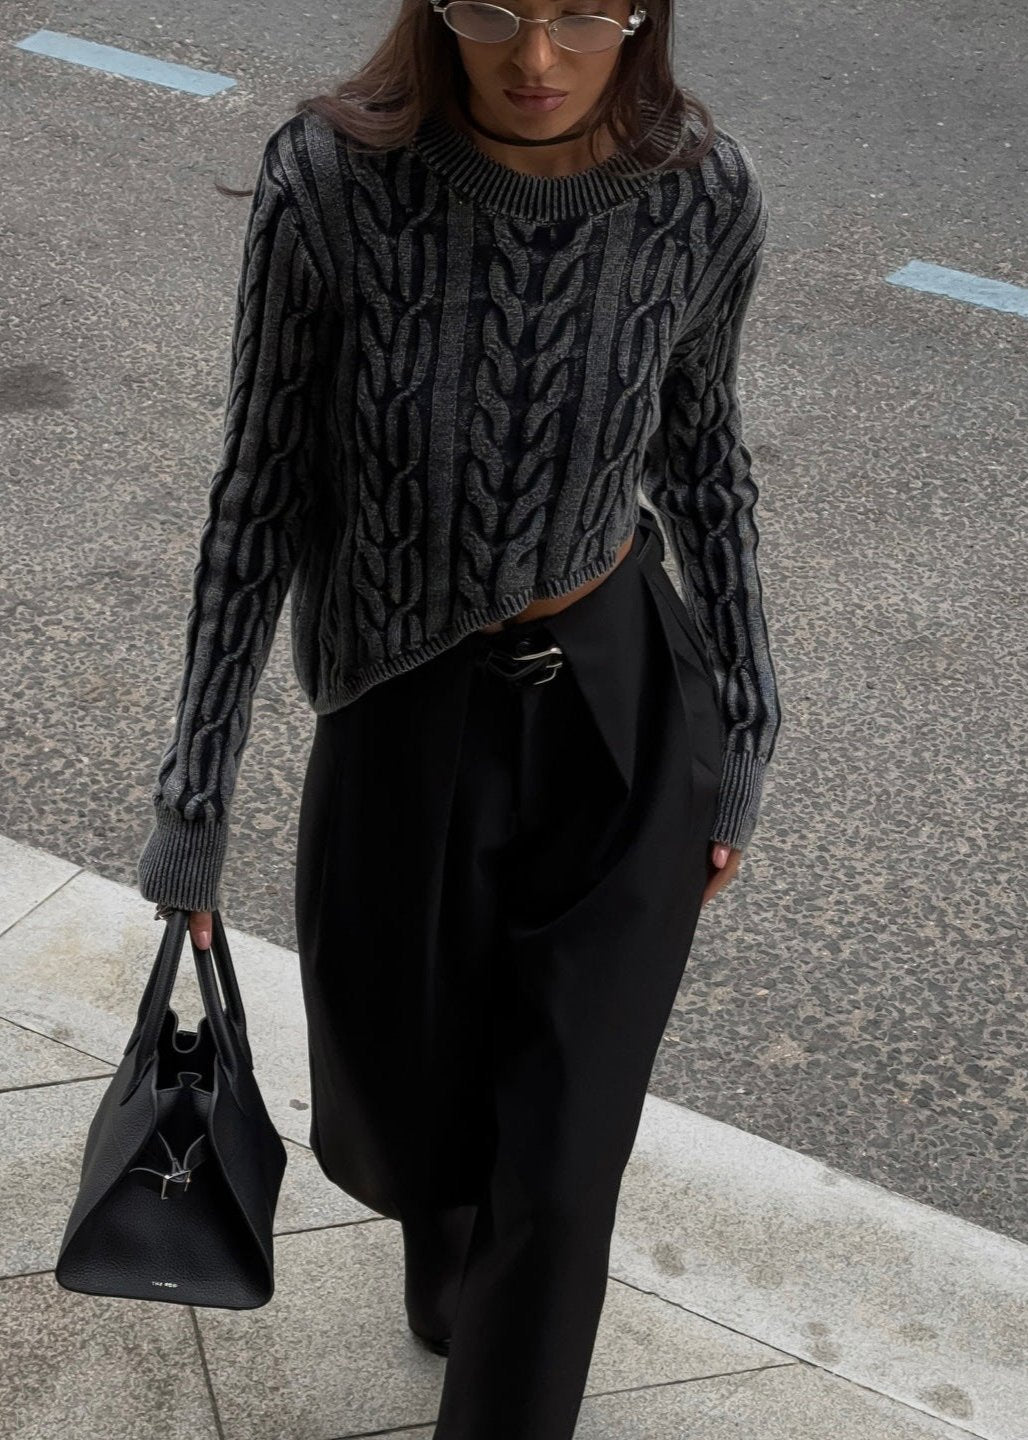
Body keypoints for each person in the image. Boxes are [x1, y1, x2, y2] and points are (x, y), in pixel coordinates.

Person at [139, 1, 782, 1434]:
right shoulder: (330, 183)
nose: (537, 58)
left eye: (584, 12)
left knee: (564, 1168)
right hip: (400, 708)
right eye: (494, 7)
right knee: (408, 1102)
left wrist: (744, 728)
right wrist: (196, 794)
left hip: (623, 710)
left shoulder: (701, 193)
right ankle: (452, 1272)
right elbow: (259, 489)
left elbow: (706, 465)